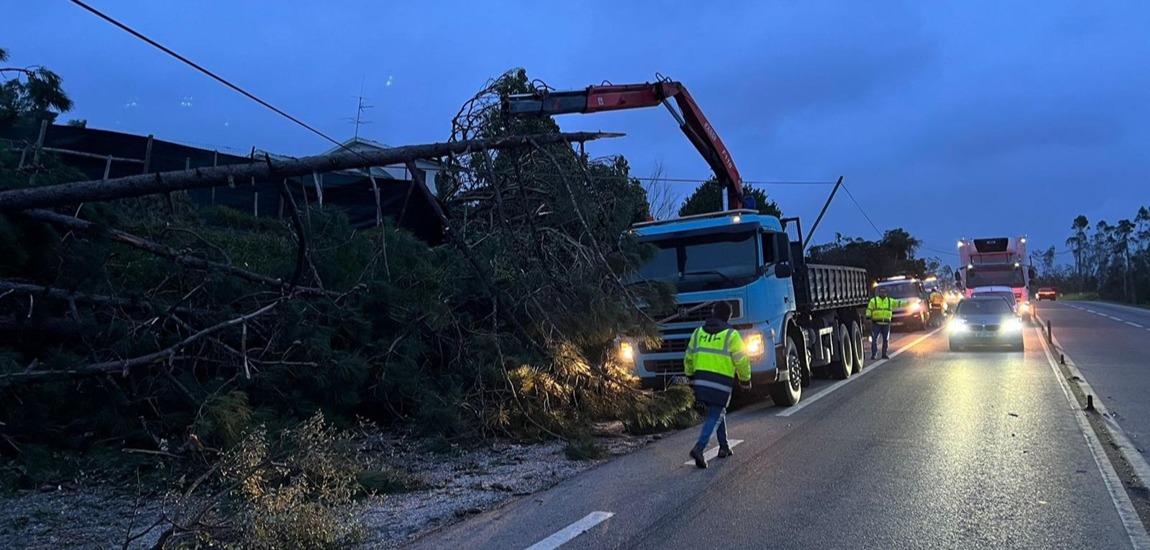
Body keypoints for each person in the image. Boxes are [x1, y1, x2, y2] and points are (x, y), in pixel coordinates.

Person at [683, 301, 751, 469]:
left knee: (717, 410)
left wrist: (690, 375)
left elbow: (689, 357)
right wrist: (745, 380)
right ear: (729, 316)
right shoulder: (731, 335)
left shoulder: (698, 332)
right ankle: (699, 448)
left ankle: (724, 446)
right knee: (715, 414)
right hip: (720, 382)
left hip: (701, 380)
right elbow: (742, 361)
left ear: (713, 313)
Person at [865, 286, 908, 360]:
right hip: (876, 323)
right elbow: (869, 308)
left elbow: (898, 303)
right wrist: (868, 315)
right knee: (874, 339)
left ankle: (884, 354)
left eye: (884, 292)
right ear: (879, 293)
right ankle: (874, 354)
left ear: (886, 293)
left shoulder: (889, 301)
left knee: (886, 339)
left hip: (886, 323)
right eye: (881, 292)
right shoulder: (874, 301)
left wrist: (907, 303)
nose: (882, 293)